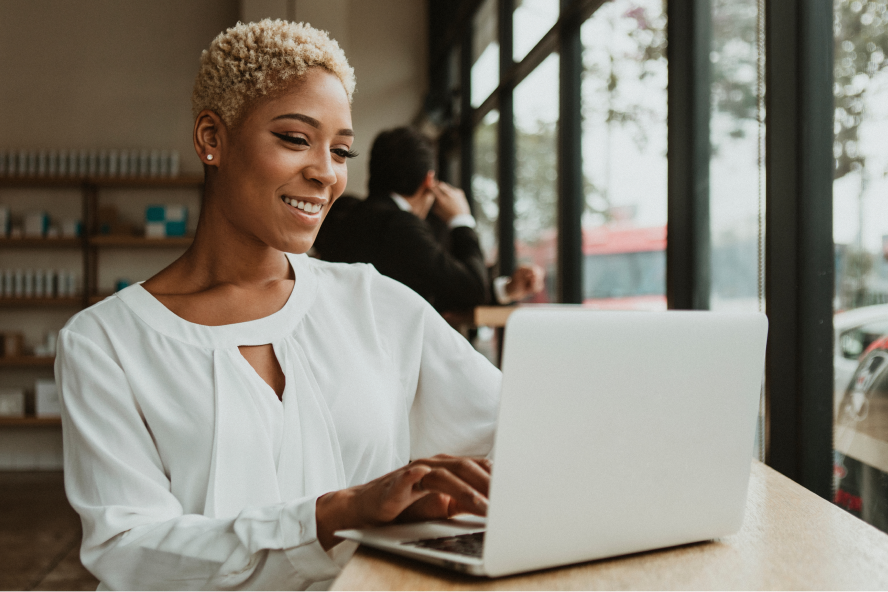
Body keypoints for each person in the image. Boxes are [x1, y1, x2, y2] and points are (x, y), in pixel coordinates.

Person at [55, 20, 500, 592]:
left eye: (341, 150)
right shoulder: (105, 342)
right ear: (212, 138)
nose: (326, 173)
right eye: (295, 139)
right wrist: (332, 515)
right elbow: (131, 552)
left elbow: (517, 434)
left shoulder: (376, 303)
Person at [313, 127, 544, 311]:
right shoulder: (400, 225)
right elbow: (471, 288)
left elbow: (440, 287)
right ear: (429, 180)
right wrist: (461, 220)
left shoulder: (345, 215)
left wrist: (507, 290)